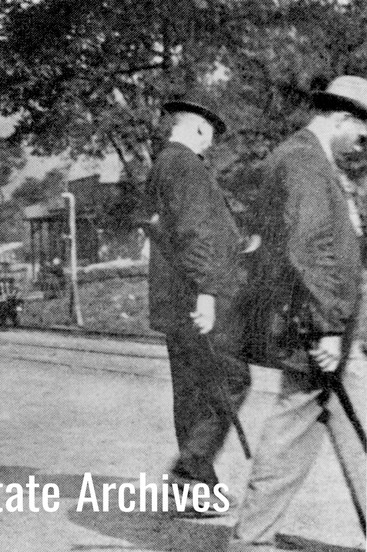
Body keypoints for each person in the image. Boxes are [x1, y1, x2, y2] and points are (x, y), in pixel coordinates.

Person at [231, 76, 367, 551]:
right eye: (363, 130)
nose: (363, 142)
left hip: (321, 325)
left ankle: (251, 540)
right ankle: (250, 542)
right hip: (318, 327)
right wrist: (328, 326)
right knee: (328, 428)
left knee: (298, 435)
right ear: (342, 117)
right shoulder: (304, 161)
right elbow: (308, 247)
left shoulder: (307, 159)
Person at [145, 90, 251, 515]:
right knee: (231, 382)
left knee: (191, 394)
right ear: (199, 127)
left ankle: (196, 491)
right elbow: (194, 232)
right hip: (197, 298)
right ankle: (189, 471)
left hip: (176, 299)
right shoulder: (186, 166)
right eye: (211, 135)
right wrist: (208, 290)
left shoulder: (162, 166)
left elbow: (158, 227)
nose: (211, 143)